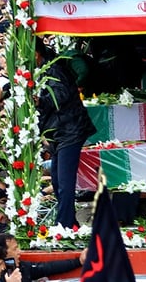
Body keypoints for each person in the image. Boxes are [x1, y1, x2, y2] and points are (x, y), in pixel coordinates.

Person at [35, 38, 96, 228]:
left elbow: (60, 95)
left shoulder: (54, 69)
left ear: (35, 55)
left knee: (64, 181)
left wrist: (40, 101)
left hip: (70, 129)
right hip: (58, 132)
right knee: (56, 179)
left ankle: (64, 224)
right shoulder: (42, 70)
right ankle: (69, 221)